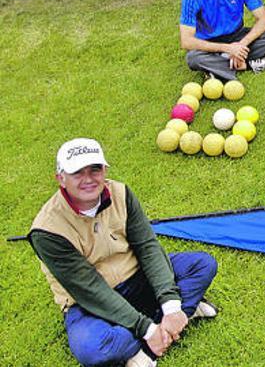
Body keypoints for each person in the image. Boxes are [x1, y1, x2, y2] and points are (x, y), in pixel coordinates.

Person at [28, 138, 218, 367]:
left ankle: (161, 328)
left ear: (105, 169)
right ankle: (168, 323)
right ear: (61, 178)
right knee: (93, 350)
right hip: (88, 303)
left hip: (136, 278)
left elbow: (148, 246)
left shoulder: (121, 192)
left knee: (202, 265)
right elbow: (89, 289)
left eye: (95, 169)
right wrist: (145, 329)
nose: (88, 179)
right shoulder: (46, 230)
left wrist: (171, 305)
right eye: (77, 172)